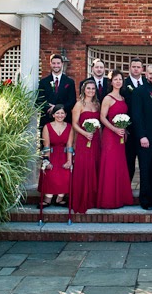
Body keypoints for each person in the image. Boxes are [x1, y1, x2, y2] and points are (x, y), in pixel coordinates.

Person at [131, 64, 152, 210]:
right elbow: (136, 115)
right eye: (150, 74)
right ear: (146, 75)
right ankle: (145, 200)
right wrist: (141, 136)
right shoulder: (139, 92)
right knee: (145, 169)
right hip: (145, 138)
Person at [97, 70, 134, 209]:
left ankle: (120, 196)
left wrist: (124, 131)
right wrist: (114, 129)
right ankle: (108, 199)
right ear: (111, 81)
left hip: (121, 136)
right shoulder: (107, 98)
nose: (118, 81)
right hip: (110, 136)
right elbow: (102, 117)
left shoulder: (123, 98)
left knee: (119, 164)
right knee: (110, 165)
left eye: (120, 79)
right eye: (115, 79)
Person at [70, 79, 101, 213]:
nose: (91, 91)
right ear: (84, 90)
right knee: (83, 167)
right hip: (83, 139)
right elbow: (74, 124)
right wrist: (85, 133)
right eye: (88, 88)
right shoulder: (79, 104)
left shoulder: (97, 104)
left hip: (95, 140)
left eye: (93, 89)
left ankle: (93, 198)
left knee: (94, 166)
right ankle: (82, 199)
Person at [40, 105, 73, 207]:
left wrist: (69, 161)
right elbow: (46, 146)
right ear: (53, 115)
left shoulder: (69, 127)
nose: (60, 115)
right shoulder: (47, 127)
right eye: (57, 113)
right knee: (50, 174)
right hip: (52, 154)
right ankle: (48, 199)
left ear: (65, 115)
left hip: (64, 155)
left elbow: (69, 145)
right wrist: (46, 161)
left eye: (62, 113)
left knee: (65, 175)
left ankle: (60, 198)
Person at [122, 57, 145, 182]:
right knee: (128, 162)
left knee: (144, 164)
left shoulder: (146, 83)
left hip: (144, 131)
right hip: (129, 130)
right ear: (130, 68)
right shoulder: (123, 84)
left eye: (138, 67)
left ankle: (145, 193)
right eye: (133, 67)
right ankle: (127, 192)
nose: (136, 69)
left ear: (142, 69)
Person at [37, 54, 76, 127]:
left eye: (58, 63)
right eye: (54, 63)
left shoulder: (69, 82)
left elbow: (72, 101)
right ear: (50, 64)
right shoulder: (43, 82)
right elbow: (39, 100)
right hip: (47, 118)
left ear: (62, 64)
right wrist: (49, 108)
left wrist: (57, 108)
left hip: (65, 119)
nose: (56, 65)